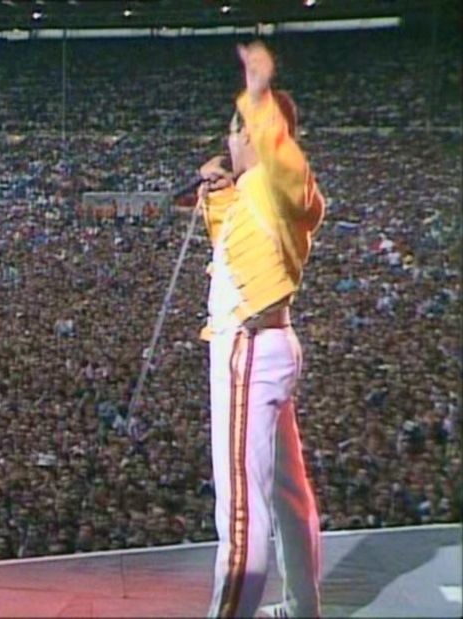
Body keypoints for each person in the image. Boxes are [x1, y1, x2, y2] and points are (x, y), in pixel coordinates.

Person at [197, 41, 325, 618]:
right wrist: (217, 191)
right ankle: (302, 608)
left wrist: (257, 93)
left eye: (237, 128)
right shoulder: (259, 195)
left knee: (243, 517)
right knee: (288, 496)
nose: (231, 138)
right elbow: (238, 251)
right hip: (268, 343)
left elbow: (279, 165)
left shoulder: (283, 182)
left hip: (249, 351)